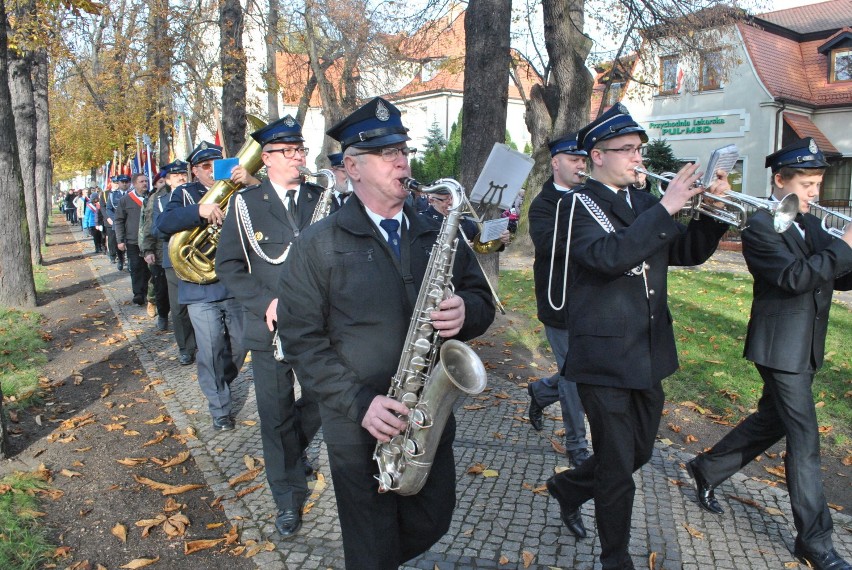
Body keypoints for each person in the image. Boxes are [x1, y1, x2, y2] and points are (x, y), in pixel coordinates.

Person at [277, 97, 495, 569]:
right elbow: (301, 341)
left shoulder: (439, 228)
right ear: (351, 167)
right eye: (386, 153)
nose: (402, 160)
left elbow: (482, 300)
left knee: (434, 518)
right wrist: (359, 403)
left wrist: (467, 312)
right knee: (372, 545)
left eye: (404, 150)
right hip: (357, 422)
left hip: (425, 415)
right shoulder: (319, 243)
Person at [543, 103, 730, 570]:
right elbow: (608, 256)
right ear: (596, 157)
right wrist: (667, 207)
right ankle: (614, 558)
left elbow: (685, 250)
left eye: (639, 149)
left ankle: (569, 486)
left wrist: (713, 213)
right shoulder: (574, 206)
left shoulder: (643, 203)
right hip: (603, 359)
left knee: (638, 453)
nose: (638, 158)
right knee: (617, 470)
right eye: (626, 150)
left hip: (647, 353)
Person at [686, 138, 852, 570]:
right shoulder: (761, 225)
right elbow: (795, 277)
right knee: (805, 441)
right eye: (807, 182)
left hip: (804, 347)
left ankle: (707, 468)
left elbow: (838, 274)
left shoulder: (805, 222)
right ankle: (815, 542)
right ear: (780, 180)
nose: (815, 192)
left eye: (818, 183)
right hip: (780, 349)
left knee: (771, 421)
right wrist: (845, 245)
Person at [216, 115, 323, 538]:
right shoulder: (246, 203)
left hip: (320, 327)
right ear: (270, 158)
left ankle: (289, 453)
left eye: (302, 150)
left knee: (321, 398)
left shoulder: (323, 198)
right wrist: (267, 302)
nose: (300, 158)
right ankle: (287, 498)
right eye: (291, 152)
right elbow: (229, 266)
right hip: (269, 328)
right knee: (275, 414)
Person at [156, 143, 246, 431]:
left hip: (234, 283)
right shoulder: (184, 194)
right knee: (210, 347)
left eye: (216, 163)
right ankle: (220, 407)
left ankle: (219, 380)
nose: (211, 170)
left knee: (240, 346)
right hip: (200, 288)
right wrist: (198, 211)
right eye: (205, 166)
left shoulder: (238, 191)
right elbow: (162, 225)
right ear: (194, 170)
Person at [526, 133, 590, 468]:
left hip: (592, 301)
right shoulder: (543, 205)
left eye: (584, 159)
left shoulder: (591, 195)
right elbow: (552, 245)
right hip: (560, 302)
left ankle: (540, 392)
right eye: (574, 159)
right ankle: (577, 443)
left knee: (579, 370)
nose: (582, 165)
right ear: (555, 163)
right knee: (574, 374)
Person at [153, 161, 197, 364]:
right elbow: (157, 229)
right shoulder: (161, 201)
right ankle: (186, 348)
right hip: (174, 259)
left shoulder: (199, 194)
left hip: (200, 255)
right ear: (168, 180)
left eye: (183, 173)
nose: (181, 177)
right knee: (179, 307)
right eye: (176, 175)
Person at [141, 172, 172, 331]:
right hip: (161, 250)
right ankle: (163, 315)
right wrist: (148, 250)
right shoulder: (157, 198)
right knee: (161, 287)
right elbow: (149, 225)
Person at [115, 173, 152, 306]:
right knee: (136, 267)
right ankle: (138, 294)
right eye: (142, 181)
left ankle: (149, 293)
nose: (145, 184)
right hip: (133, 241)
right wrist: (120, 240)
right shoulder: (125, 200)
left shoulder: (151, 198)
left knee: (150, 268)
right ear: (134, 184)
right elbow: (119, 220)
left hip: (150, 240)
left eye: (146, 181)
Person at [105, 175, 130, 270]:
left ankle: (130, 261)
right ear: (118, 183)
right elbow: (109, 208)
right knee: (119, 242)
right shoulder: (113, 195)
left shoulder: (132, 194)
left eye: (126, 182)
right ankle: (120, 259)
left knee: (130, 243)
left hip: (129, 222)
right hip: (118, 223)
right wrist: (115, 219)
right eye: (122, 182)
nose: (124, 184)